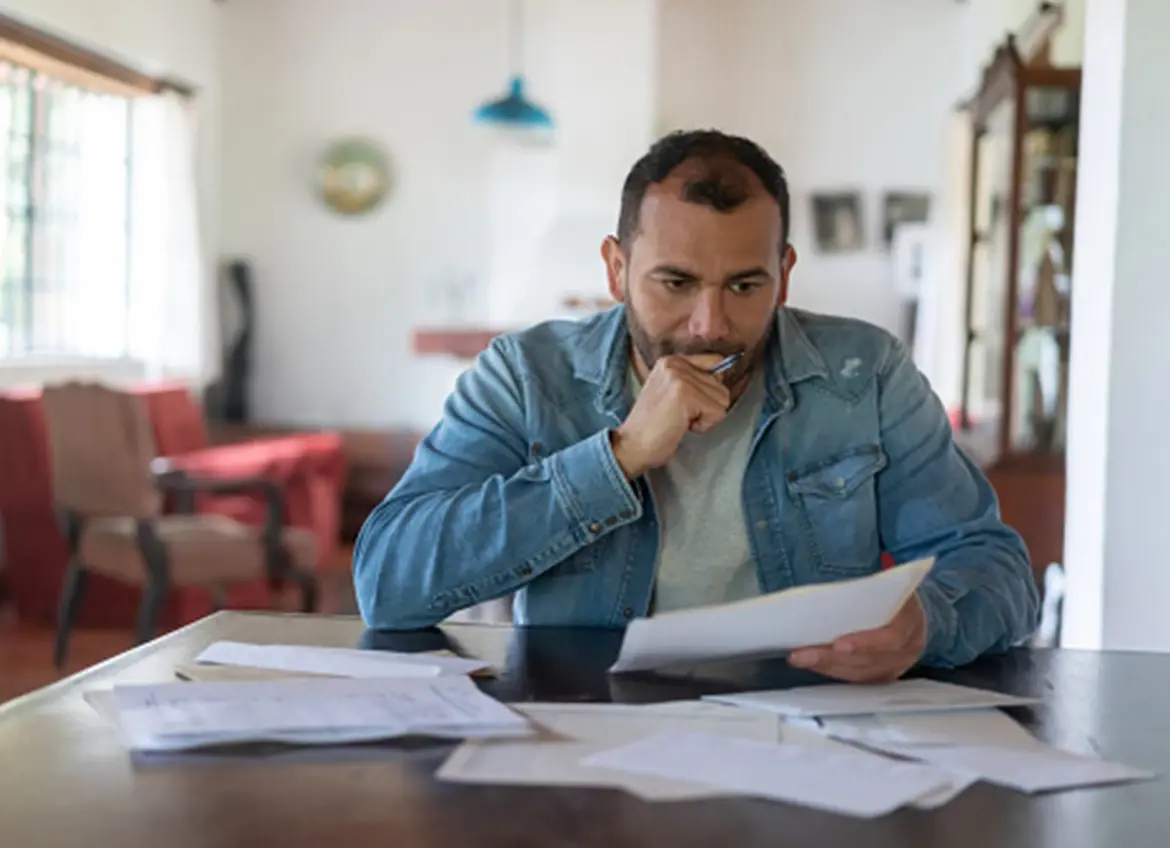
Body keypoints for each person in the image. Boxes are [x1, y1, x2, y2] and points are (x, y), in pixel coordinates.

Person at [354, 129, 1039, 682]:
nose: (709, 323)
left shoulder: (867, 372)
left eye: (745, 285)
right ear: (616, 269)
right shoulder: (525, 375)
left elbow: (993, 565)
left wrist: (926, 624)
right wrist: (618, 459)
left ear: (786, 273)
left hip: (807, 733)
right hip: (589, 731)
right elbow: (388, 583)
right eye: (674, 282)